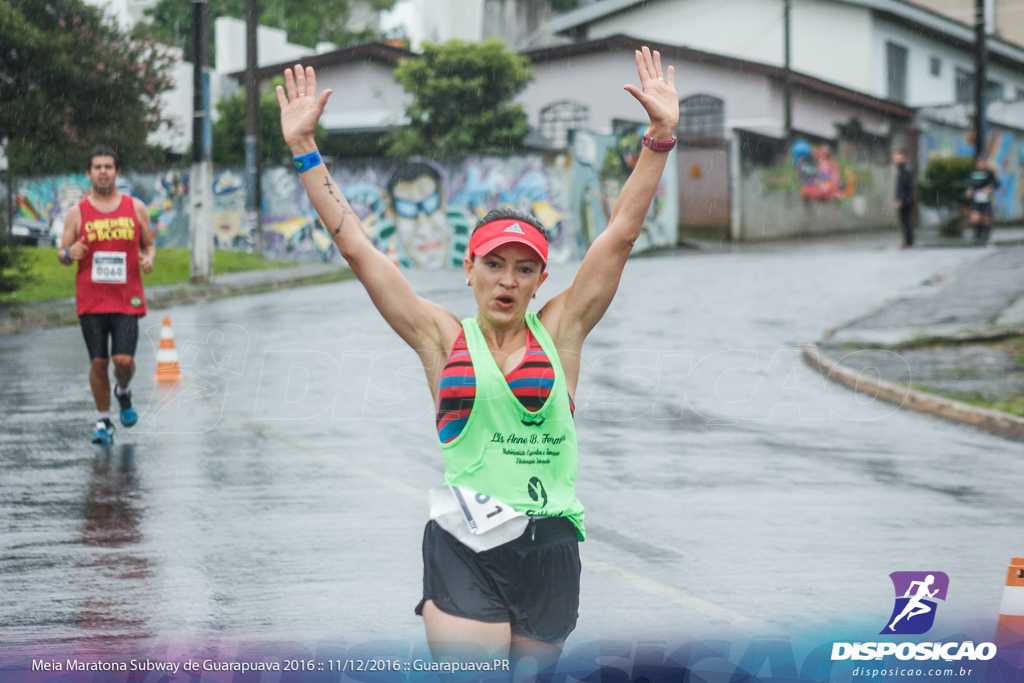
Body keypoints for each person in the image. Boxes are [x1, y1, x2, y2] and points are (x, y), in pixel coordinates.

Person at [275, 47, 678, 670]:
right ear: (469, 269)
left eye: (523, 269)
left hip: (550, 550)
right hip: (465, 545)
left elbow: (620, 234)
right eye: (493, 264)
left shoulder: (561, 332)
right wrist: (305, 150)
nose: (507, 281)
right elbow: (357, 248)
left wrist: (659, 137)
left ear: (542, 279)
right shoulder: (441, 339)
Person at [59, 146, 154, 444]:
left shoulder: (135, 207)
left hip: (127, 298)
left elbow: (148, 244)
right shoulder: (78, 212)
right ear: (89, 174)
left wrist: (149, 257)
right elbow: (62, 254)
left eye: (108, 166)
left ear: (117, 172)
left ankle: (123, 392)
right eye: (97, 167)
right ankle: (104, 421)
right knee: (99, 363)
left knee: (123, 361)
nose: (103, 171)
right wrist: (69, 252)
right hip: (91, 299)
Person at [966, 157, 1000, 245]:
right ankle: (978, 235)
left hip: (986, 200)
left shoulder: (989, 173)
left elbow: (995, 183)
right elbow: (969, 183)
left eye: (982, 162)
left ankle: (986, 236)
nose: (981, 164)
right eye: (979, 162)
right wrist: (969, 190)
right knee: (975, 219)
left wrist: (989, 188)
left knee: (986, 219)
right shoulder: (973, 173)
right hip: (977, 200)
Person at [892, 149, 916, 248]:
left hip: (906, 200)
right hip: (907, 198)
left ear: (903, 157)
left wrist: (900, 199)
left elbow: (904, 186)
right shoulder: (904, 167)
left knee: (906, 221)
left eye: (897, 156)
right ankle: (908, 241)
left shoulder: (905, 169)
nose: (895, 158)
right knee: (906, 221)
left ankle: (908, 242)